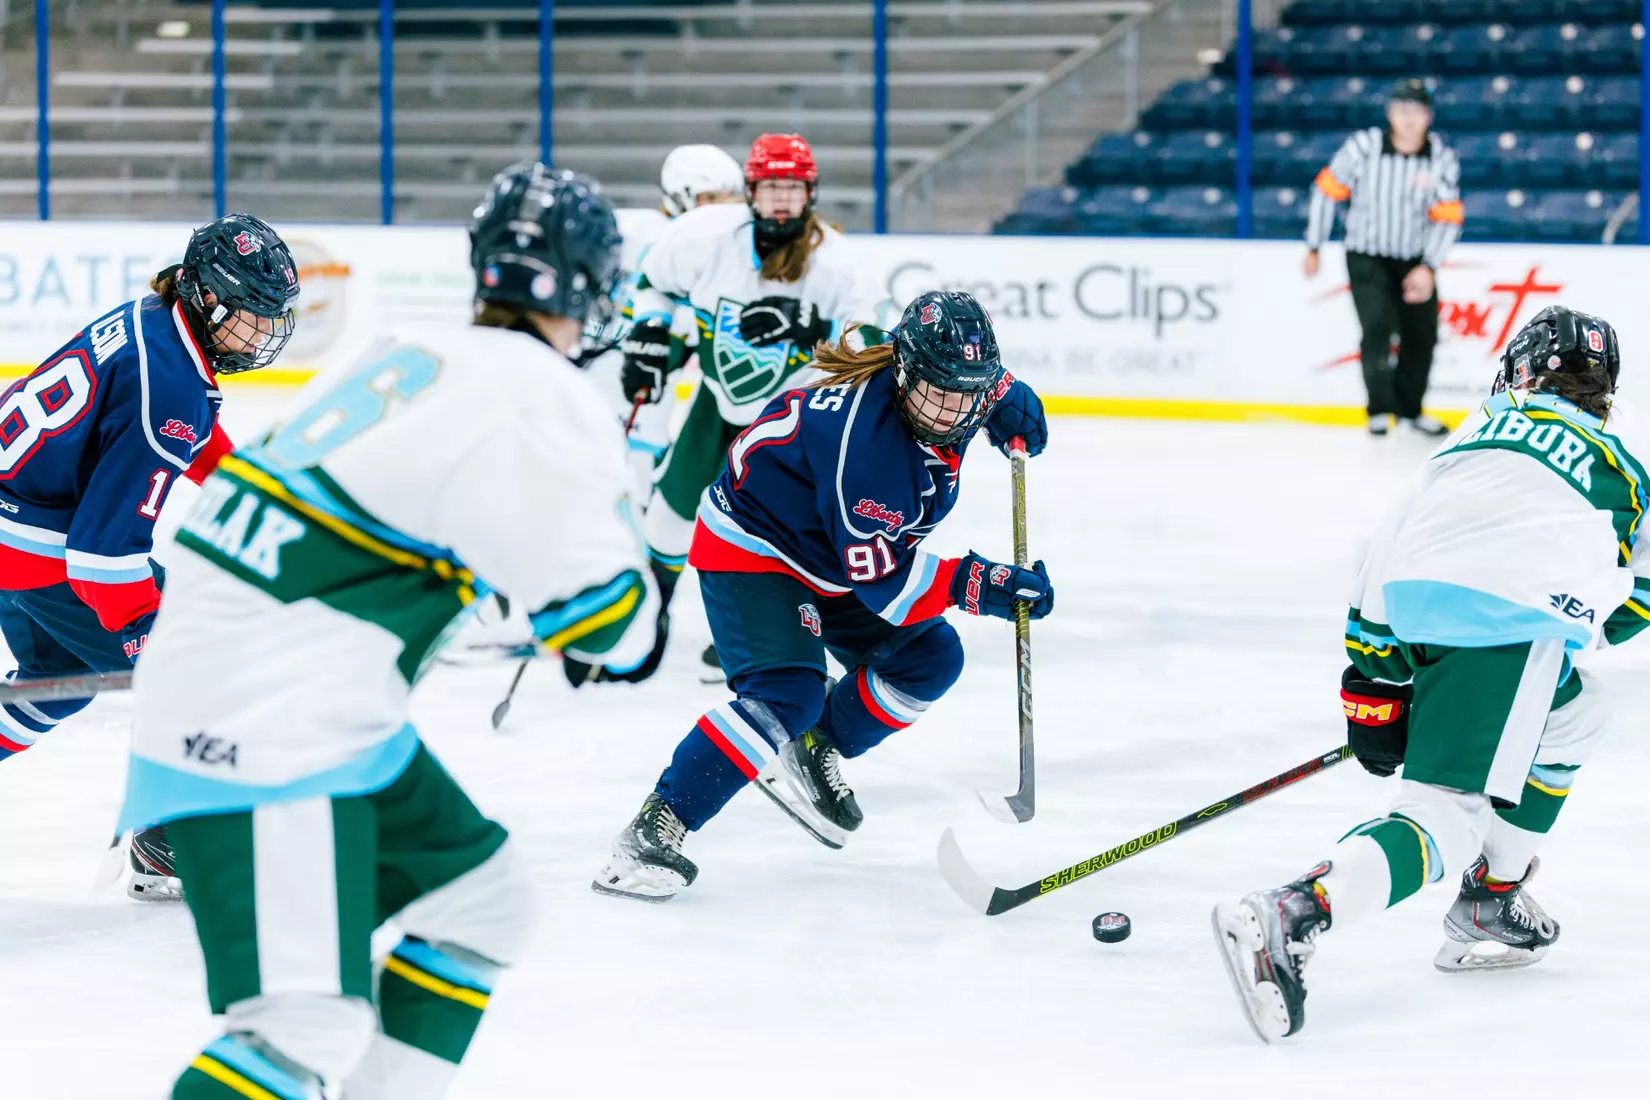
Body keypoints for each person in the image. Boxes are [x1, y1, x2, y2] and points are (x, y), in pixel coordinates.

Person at [119, 164, 664, 1100]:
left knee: (484, 902)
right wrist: (641, 596)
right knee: (299, 1033)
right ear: (585, 282)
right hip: (275, 714)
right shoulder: (542, 392)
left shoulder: (403, 347)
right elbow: (606, 625)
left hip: (268, 683)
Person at [1214, 306, 1643, 1042]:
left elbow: (1384, 553)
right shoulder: (1617, 466)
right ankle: (1293, 912)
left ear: (1520, 369)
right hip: (1508, 628)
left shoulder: (1466, 437)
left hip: (1409, 607)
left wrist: (1375, 689)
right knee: (1445, 813)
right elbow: (1639, 588)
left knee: (1577, 713)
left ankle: (1493, 894)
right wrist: (1577, 626)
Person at [593, 290, 1052, 902]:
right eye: (941, 390)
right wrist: (980, 584)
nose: (952, 409)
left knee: (930, 659)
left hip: (829, 552)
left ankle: (815, 748)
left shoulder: (930, 379)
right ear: (905, 371)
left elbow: (933, 367)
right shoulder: (868, 452)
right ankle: (653, 830)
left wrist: (1000, 392)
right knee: (787, 692)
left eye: (969, 390)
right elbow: (885, 584)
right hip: (754, 550)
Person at [0, 212, 298, 899]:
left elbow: (178, 433)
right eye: (251, 316)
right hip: (41, 552)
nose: (261, 335)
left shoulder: (155, 319)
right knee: (205, 666)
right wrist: (148, 637)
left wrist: (246, 483)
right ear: (210, 297)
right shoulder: (169, 388)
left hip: (18, 529)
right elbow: (102, 558)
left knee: (56, 683)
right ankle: (169, 845)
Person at [620, 132, 894, 677]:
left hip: (789, 422)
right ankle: (647, 625)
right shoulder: (703, 236)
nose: (782, 201)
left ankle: (767, 632)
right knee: (669, 522)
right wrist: (650, 334)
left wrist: (813, 327)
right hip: (715, 406)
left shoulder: (836, 264)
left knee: (778, 536)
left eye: (793, 189)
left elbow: (878, 343)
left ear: (811, 193)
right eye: (772, 188)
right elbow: (651, 284)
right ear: (750, 191)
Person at [582, 143, 748, 491]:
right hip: (615, 373)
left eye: (730, 198)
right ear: (680, 195)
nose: (723, 209)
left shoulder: (640, 229)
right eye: (712, 198)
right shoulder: (658, 237)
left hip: (639, 381)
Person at [1304, 78, 1463, 438]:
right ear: (1390, 113)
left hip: (1414, 258)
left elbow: (1449, 217)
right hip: (1366, 253)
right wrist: (1314, 245)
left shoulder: (1441, 157)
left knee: (1421, 333)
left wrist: (1428, 266)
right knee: (1376, 325)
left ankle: (1410, 411)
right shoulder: (1364, 147)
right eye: (1401, 109)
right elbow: (1326, 191)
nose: (1408, 118)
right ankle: (1378, 409)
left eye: (1416, 111)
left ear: (1428, 116)